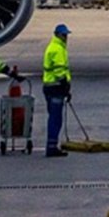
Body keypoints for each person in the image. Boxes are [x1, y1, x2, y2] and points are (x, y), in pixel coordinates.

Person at [42, 23, 72, 156]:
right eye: (64, 35)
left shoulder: (54, 47)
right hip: (56, 87)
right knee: (55, 118)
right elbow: (60, 71)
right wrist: (65, 88)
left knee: (54, 117)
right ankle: (51, 146)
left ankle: (51, 144)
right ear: (58, 35)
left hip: (50, 86)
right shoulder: (58, 49)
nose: (66, 37)